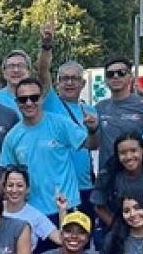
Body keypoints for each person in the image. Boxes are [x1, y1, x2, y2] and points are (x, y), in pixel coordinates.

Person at [0, 77, 88, 221]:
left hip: (65, 206)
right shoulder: (12, 136)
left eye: (34, 98)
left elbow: (92, 144)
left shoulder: (60, 124)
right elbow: (7, 174)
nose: (29, 103)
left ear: (41, 99)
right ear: (17, 103)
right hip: (30, 212)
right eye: (23, 99)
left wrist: (94, 129)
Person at [90, 131, 143, 243]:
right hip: (120, 236)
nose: (128, 157)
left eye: (133, 151)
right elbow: (99, 206)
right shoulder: (109, 175)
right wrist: (119, 231)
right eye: (123, 153)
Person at [43, 61, 101, 211]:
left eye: (74, 78)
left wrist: (93, 130)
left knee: (85, 233)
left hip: (85, 185)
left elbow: (93, 145)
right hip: (58, 188)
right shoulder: (51, 103)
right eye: (64, 78)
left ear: (83, 83)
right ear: (57, 83)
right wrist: (47, 45)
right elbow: (43, 71)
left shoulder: (90, 111)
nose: (69, 82)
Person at [94, 56, 143, 174]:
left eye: (121, 73)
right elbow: (93, 144)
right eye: (111, 74)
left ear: (130, 77)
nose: (116, 76)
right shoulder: (99, 108)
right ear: (106, 80)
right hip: (108, 176)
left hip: (138, 177)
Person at [0, 164, 63, 252]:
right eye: (10, 185)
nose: (14, 190)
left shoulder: (35, 216)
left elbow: (61, 240)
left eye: (19, 186)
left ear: (27, 189)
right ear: (4, 188)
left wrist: (62, 210)